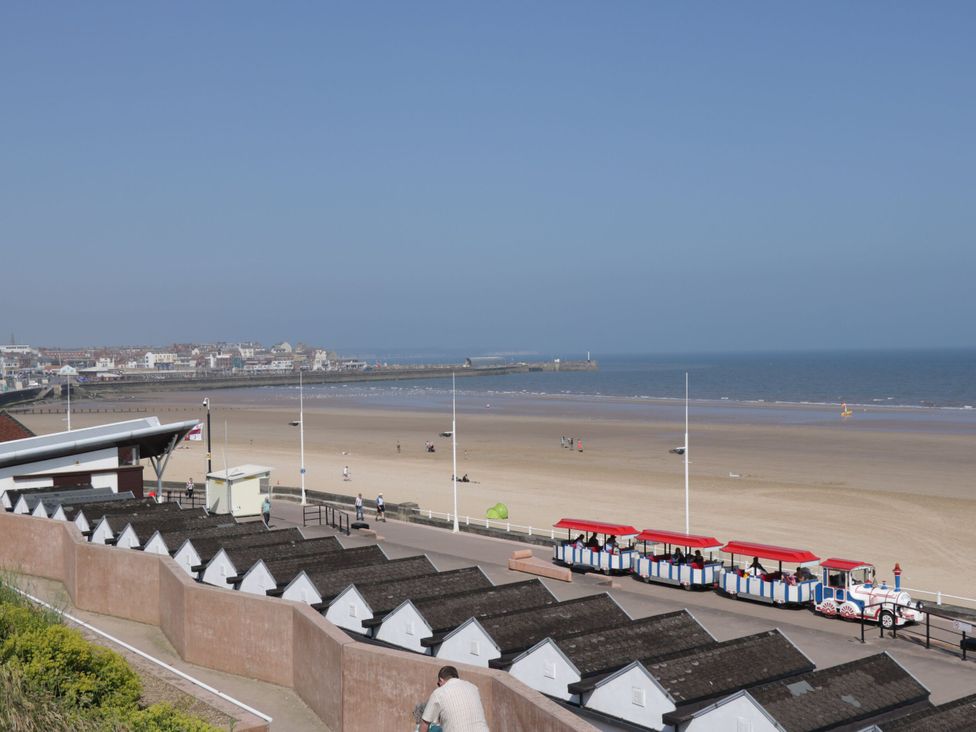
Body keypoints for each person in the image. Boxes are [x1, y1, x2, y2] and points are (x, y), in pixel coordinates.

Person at [420, 666, 488, 732]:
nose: (439, 686)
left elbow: (425, 724)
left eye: (438, 684)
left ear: (441, 680)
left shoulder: (439, 693)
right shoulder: (474, 688)